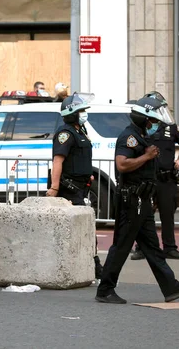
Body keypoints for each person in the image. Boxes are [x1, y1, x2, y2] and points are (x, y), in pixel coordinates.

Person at [95, 96, 179, 304]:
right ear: (144, 119)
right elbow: (122, 165)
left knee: (152, 247)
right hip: (131, 201)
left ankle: (171, 287)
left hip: (143, 200)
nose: (155, 125)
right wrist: (146, 157)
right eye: (153, 121)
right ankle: (105, 290)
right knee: (121, 246)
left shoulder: (142, 136)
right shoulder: (129, 137)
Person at [46, 92, 104, 279]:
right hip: (68, 189)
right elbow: (58, 161)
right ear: (72, 114)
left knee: (85, 226)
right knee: (78, 228)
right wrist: (54, 188)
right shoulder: (65, 134)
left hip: (82, 186)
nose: (84, 114)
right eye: (81, 111)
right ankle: (93, 266)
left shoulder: (80, 131)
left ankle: (91, 264)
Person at [131, 91, 179, 261]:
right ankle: (141, 248)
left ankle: (170, 248)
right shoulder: (143, 128)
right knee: (144, 214)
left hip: (166, 178)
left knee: (167, 214)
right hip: (147, 178)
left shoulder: (170, 127)